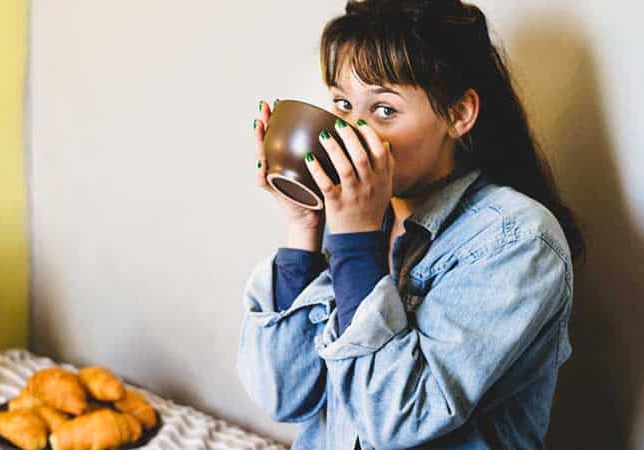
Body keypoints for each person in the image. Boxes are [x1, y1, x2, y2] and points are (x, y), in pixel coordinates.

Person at [237, 0, 586, 448]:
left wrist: (355, 242)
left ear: (458, 114)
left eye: (384, 109)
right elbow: (283, 396)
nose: (350, 130)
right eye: (342, 103)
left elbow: (395, 422)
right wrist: (305, 226)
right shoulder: (354, 217)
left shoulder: (518, 239)